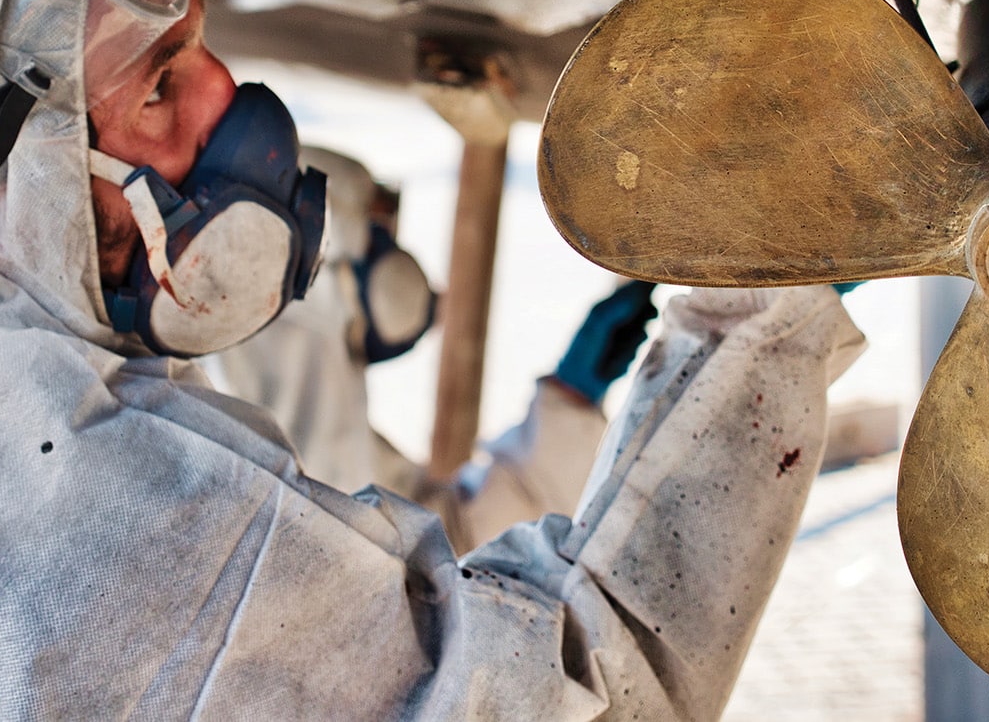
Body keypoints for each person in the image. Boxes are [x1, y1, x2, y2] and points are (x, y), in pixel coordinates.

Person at [0, 0, 867, 719]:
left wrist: (574, 403)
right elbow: (589, 697)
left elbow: (399, 586)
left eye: (198, 47)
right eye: (156, 85)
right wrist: (755, 313)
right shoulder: (105, 534)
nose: (227, 99)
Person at [200, 144, 659, 549]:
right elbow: (471, 560)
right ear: (331, 249)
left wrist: (567, 402)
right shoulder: (293, 452)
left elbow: (454, 540)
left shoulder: (273, 402)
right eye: (380, 228)